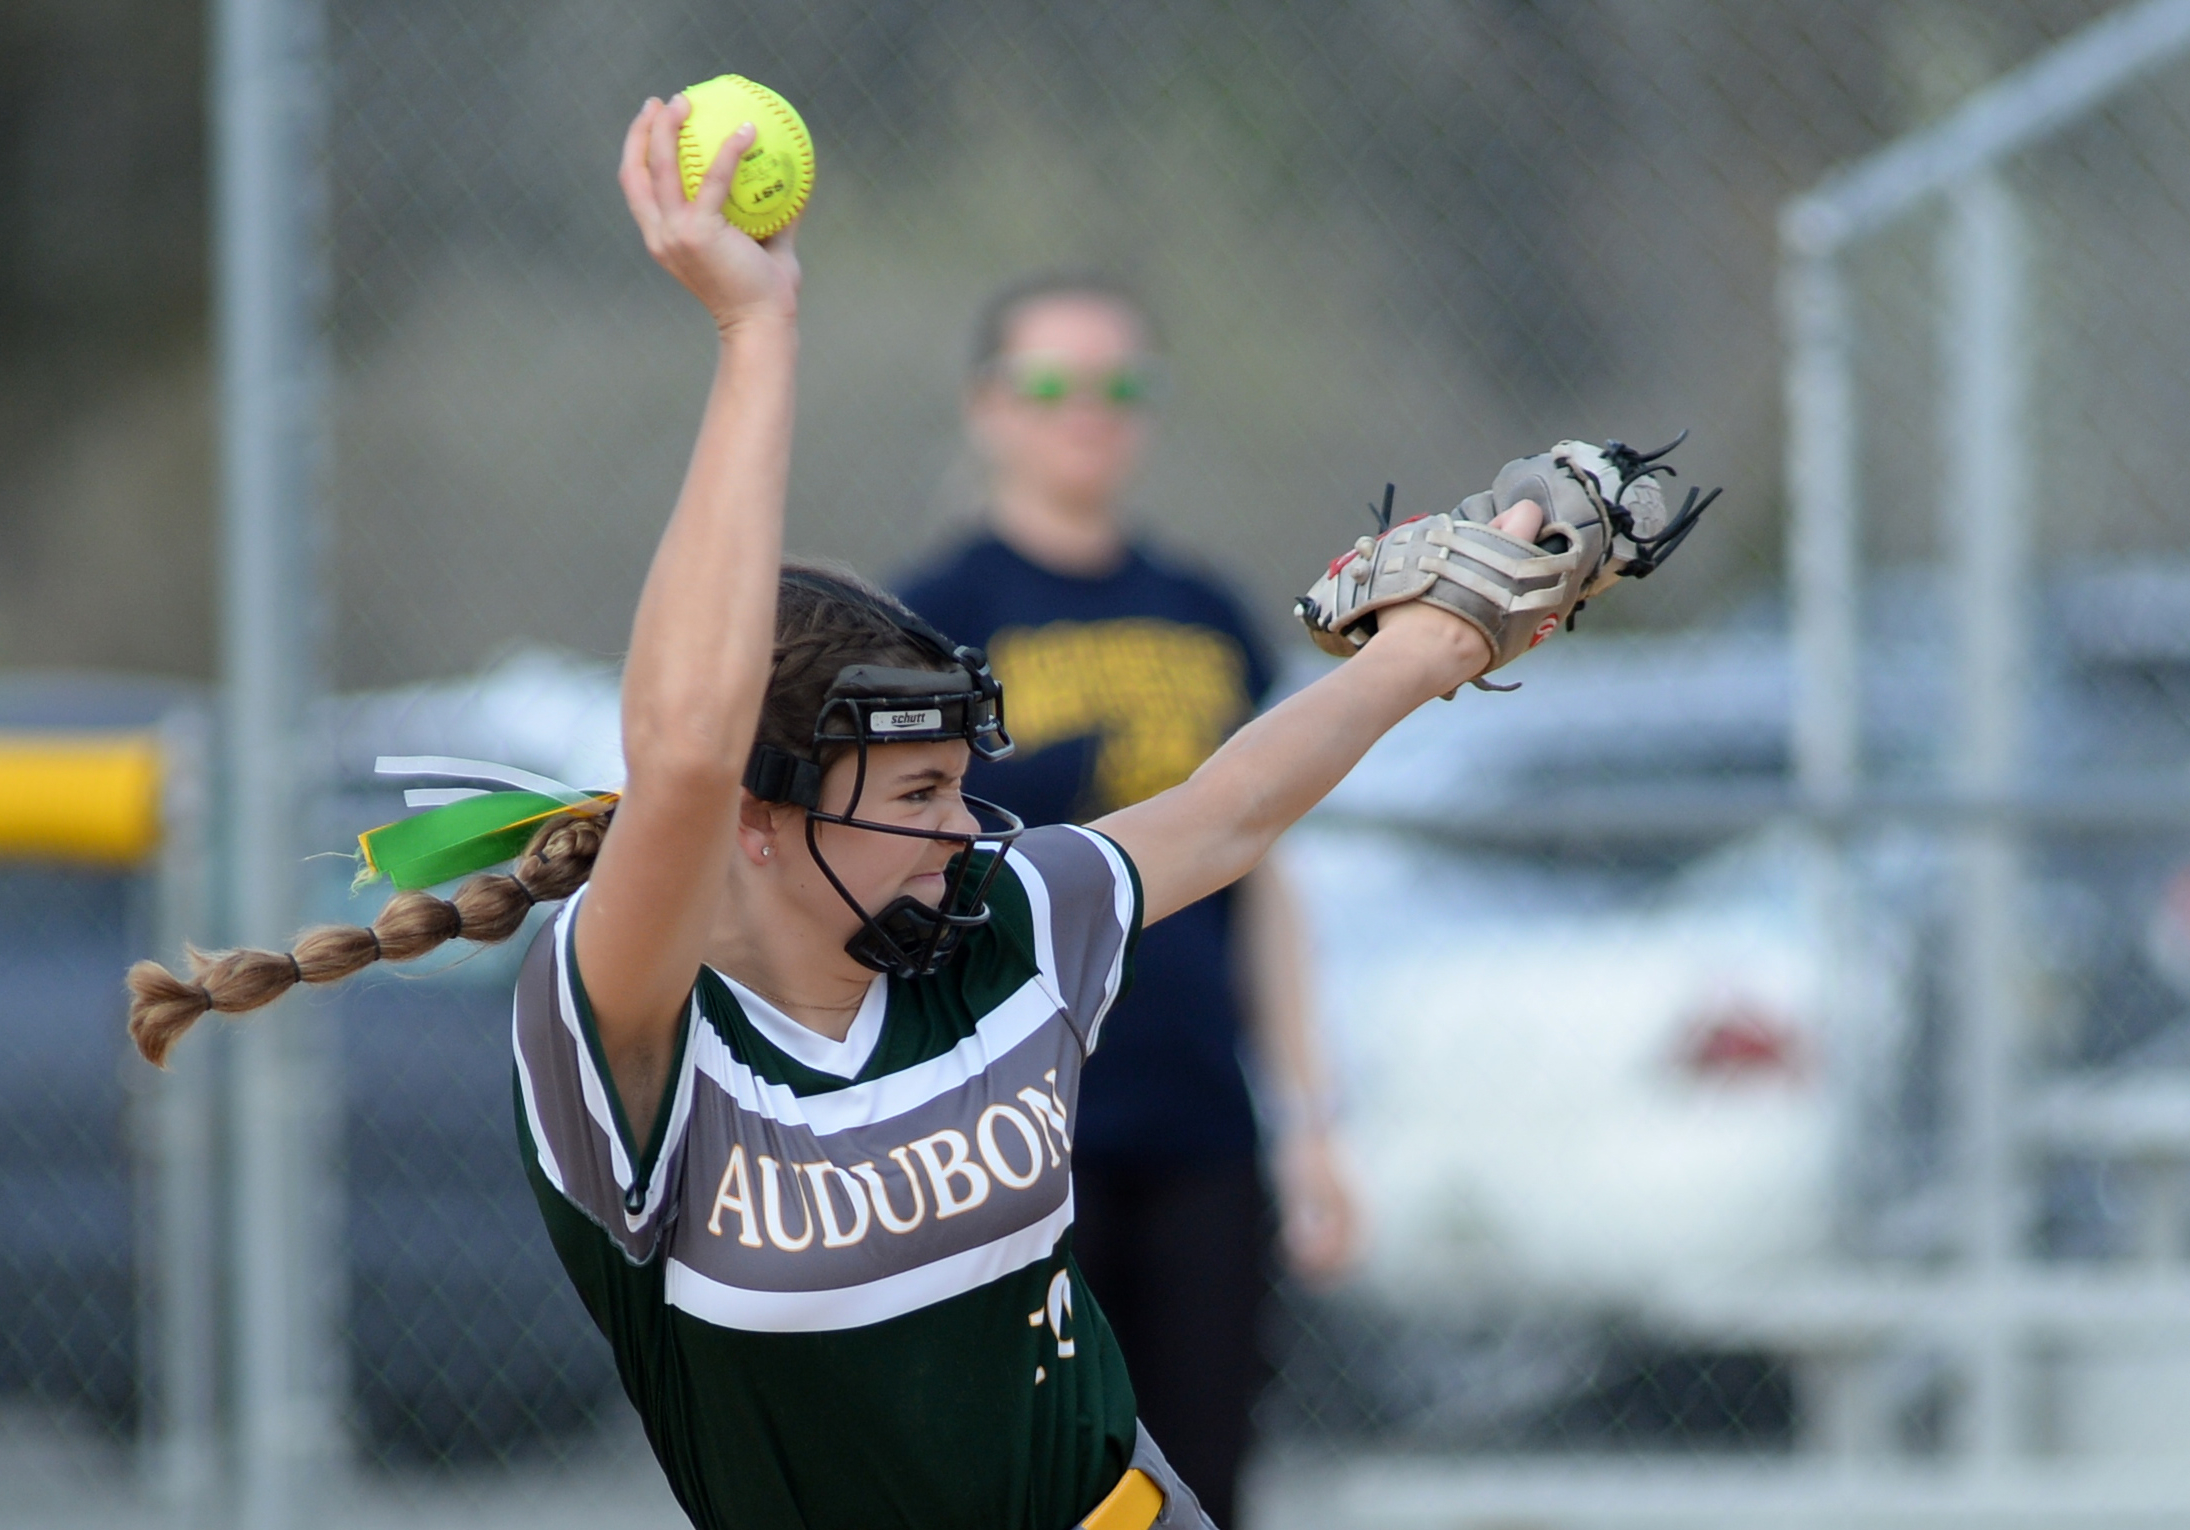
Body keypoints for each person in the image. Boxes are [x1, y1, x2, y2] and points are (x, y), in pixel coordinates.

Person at [126, 94, 1551, 1530]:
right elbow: (683, 750)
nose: (962, 826)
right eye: (918, 792)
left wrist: (1445, 642)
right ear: (759, 816)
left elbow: (1230, 808)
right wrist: (755, 333)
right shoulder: (645, 1040)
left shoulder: (1001, 922)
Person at [896, 274, 1357, 1525]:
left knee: (1200, 1488)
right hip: (1014, 1128)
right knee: (1032, 1485)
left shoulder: (1203, 613)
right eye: (1051, 386)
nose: (1086, 414)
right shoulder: (931, 618)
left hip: (1203, 1121)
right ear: (989, 407)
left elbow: (1263, 884)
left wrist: (1313, 1119)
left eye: (1119, 387)